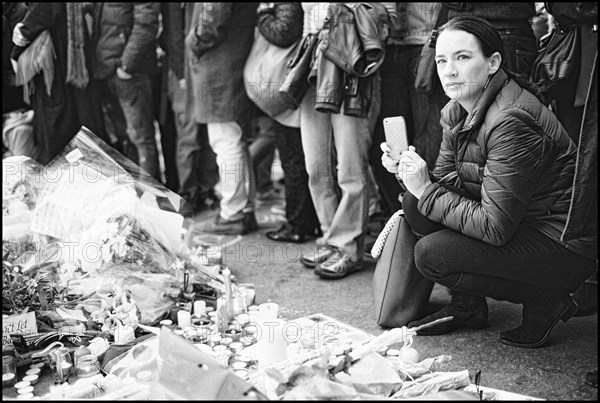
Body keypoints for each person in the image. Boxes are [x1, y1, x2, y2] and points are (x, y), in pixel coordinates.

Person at [380, 16, 597, 348]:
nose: (448, 70)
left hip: (561, 243)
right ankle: (467, 305)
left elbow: (495, 227)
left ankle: (546, 296)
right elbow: (450, 182)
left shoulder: (511, 119)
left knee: (432, 253)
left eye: (462, 58)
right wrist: (407, 174)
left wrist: (426, 188)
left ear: (493, 62)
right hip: (522, 221)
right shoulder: (457, 109)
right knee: (414, 203)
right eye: (441, 60)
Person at [297, 3, 392, 279]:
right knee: (316, 165)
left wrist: (345, 9)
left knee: (351, 168)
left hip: (353, 70)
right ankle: (330, 236)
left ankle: (348, 247)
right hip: (314, 69)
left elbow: (389, 21)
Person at [185, 2, 260, 235]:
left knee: (225, 141)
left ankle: (232, 213)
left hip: (219, 64)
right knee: (235, 140)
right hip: (233, 58)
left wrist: (193, 42)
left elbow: (211, 17)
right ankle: (244, 209)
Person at [10, 2, 107, 165]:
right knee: (81, 141)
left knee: (62, 142)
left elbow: (37, 18)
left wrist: (18, 43)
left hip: (57, 80)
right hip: (73, 73)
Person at [91, 2, 161, 180]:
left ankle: (152, 199)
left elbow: (146, 23)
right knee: (125, 140)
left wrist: (126, 66)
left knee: (141, 139)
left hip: (129, 74)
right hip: (106, 72)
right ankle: (136, 198)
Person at [160, 2, 219, 214]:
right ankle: (193, 191)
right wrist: (180, 73)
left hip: (194, 67)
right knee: (192, 134)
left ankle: (197, 192)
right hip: (187, 69)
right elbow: (173, 34)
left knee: (197, 134)